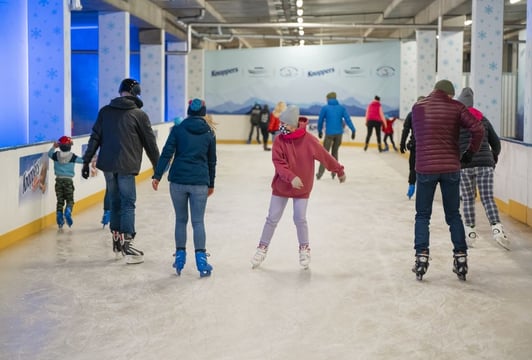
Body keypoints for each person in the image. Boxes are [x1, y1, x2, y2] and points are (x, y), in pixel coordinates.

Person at [251, 105, 346, 270]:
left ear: (294, 125)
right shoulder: (279, 140)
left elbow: (325, 156)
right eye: (281, 123)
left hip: (302, 187)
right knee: (272, 218)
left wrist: (338, 170)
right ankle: (262, 247)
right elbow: (278, 164)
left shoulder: (309, 140)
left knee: (299, 218)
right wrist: (291, 177)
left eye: (285, 124)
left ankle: (304, 249)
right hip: (282, 185)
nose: (282, 127)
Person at [410, 79, 484, 281]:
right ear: (450, 94)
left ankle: (421, 257)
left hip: (425, 167)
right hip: (451, 167)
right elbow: (478, 129)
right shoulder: (456, 107)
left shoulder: (418, 107)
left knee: (422, 215)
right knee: (453, 215)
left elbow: (417, 138)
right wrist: (470, 152)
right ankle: (460, 257)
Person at [82, 78, 160, 264]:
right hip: (127, 166)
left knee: (115, 201)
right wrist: (158, 168)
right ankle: (127, 243)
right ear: (136, 93)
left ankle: (117, 240)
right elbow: (151, 144)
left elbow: (95, 138)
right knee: (128, 203)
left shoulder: (105, 112)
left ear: (120, 92)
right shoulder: (139, 115)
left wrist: (86, 162)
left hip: (108, 165)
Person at [152, 99, 217, 277]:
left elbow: (167, 153)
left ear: (188, 111)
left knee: (181, 220)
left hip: (178, 181)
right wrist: (211, 183)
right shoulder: (209, 132)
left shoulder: (178, 129)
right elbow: (212, 161)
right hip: (200, 182)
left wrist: (157, 175)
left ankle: (180, 257)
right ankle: (201, 260)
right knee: (198, 222)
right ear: (204, 112)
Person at [456, 87, 509, 250]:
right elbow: (496, 143)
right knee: (487, 198)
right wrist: (493, 157)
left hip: (464, 165)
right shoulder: (483, 119)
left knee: (467, 199)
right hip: (485, 165)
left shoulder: (456, 121)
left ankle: (470, 232)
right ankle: (498, 230)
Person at [316, 92, 355, 180]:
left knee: (325, 154)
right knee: (334, 153)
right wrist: (353, 130)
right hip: (338, 134)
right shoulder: (341, 108)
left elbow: (320, 120)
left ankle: (320, 173)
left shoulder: (325, 108)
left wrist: (319, 130)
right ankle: (334, 173)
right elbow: (348, 119)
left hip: (329, 134)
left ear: (328, 98)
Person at [48, 136, 83, 230]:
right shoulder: (72, 157)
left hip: (58, 181)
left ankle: (59, 218)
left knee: (60, 201)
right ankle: (67, 211)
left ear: (59, 146)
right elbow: (83, 161)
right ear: (70, 146)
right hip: (68, 181)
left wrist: (53, 147)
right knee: (70, 200)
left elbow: (49, 154)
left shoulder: (55, 155)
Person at [400, 96, 425, 199]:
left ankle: (411, 186)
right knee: (423, 170)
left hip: (415, 146)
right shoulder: (429, 114)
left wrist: (402, 143)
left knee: (413, 168)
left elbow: (405, 130)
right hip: (425, 147)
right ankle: (421, 189)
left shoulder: (411, 114)